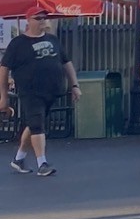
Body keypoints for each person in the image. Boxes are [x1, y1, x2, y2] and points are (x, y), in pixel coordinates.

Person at [1, 10, 80, 176]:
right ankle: (42, 163)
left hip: (51, 90)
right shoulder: (18, 44)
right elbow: (4, 69)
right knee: (37, 125)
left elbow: (66, 62)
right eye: (38, 18)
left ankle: (19, 159)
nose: (42, 21)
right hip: (30, 91)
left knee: (34, 124)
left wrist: (74, 85)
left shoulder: (52, 39)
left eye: (44, 18)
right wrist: (4, 96)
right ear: (28, 20)